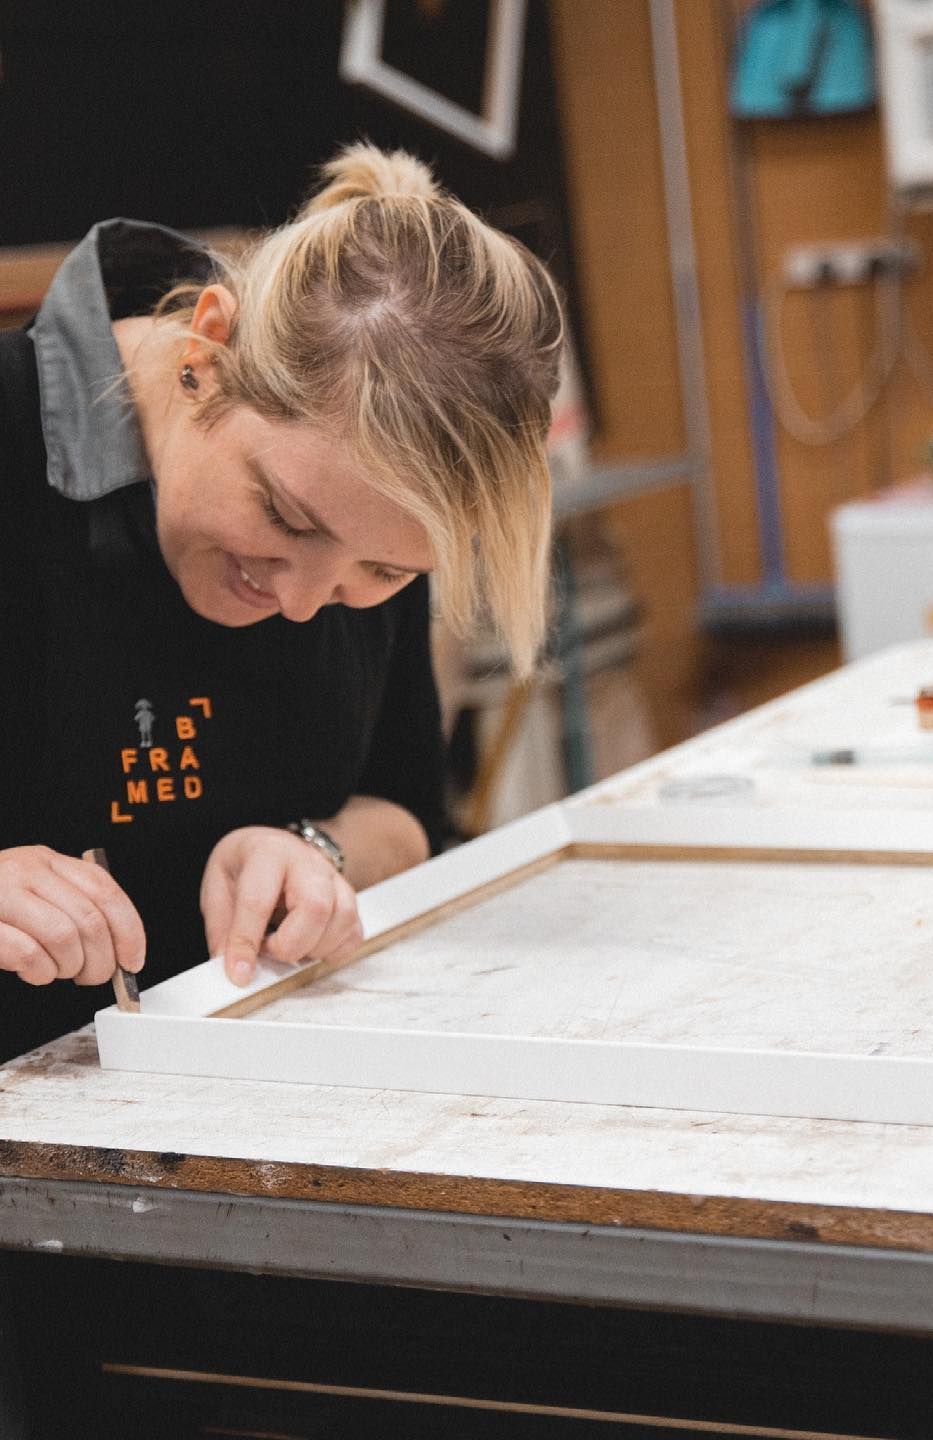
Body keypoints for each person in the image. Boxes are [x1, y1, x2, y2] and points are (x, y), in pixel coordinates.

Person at [0, 143, 564, 1061]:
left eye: (378, 574)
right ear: (208, 350)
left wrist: (317, 850)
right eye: (284, 515)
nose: (305, 605)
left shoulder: (365, 517)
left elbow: (405, 812)